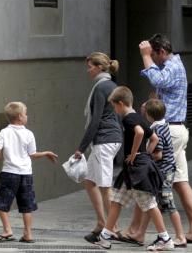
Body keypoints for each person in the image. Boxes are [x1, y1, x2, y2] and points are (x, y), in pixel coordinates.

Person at [139, 34, 192, 242]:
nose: (155, 60)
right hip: (176, 130)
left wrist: (144, 56)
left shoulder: (173, 66)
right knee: (180, 182)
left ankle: (139, 232)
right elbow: (162, 84)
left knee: (154, 181)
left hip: (170, 131)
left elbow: (158, 79)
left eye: (155, 55)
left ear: (162, 52)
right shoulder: (174, 65)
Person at [92, 86, 174, 251]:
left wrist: (135, 153)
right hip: (135, 168)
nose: (115, 110)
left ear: (121, 104)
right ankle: (105, 236)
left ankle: (165, 239)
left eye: (115, 106)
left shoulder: (129, 119)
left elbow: (139, 133)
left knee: (149, 203)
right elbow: (155, 139)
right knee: (116, 201)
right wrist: (145, 154)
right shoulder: (139, 116)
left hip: (137, 170)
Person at [74, 52, 123, 243]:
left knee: (104, 186)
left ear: (100, 67)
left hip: (104, 140)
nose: (88, 70)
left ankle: (112, 228)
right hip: (110, 138)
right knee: (89, 181)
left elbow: (95, 120)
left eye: (90, 66)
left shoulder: (101, 88)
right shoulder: (112, 85)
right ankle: (102, 223)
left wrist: (81, 147)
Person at [0, 102, 58, 243]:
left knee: (1, 203)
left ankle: (7, 230)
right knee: (26, 204)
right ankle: (28, 234)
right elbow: (33, 154)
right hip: (26, 174)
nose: (27, 116)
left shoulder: (3, 132)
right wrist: (46, 153)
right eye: (26, 113)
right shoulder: (29, 134)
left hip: (9, 173)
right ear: (20, 117)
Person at [125, 99, 187, 247]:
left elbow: (158, 154)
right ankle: (140, 234)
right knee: (151, 203)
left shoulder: (157, 130)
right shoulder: (164, 125)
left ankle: (180, 236)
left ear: (149, 115)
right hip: (165, 171)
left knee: (168, 204)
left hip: (164, 172)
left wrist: (143, 156)